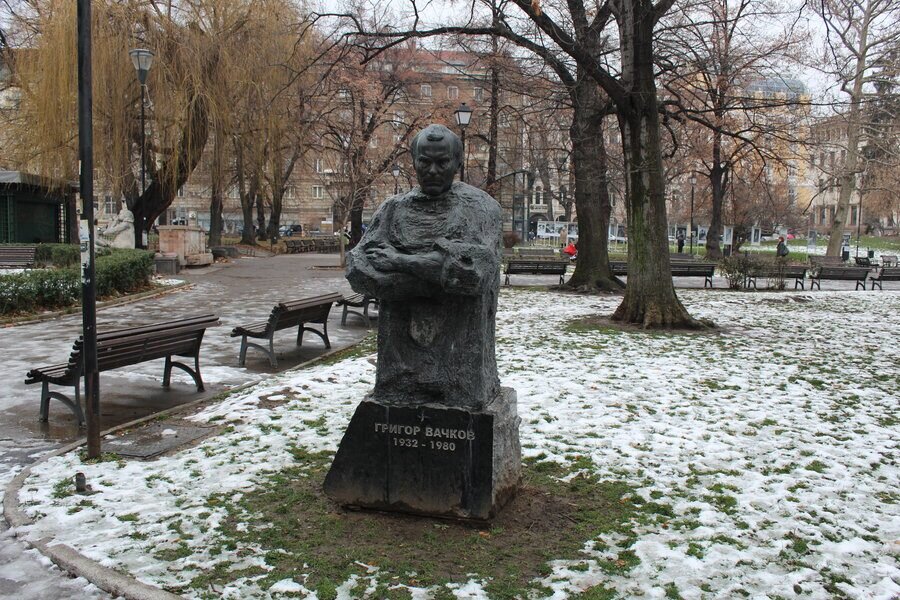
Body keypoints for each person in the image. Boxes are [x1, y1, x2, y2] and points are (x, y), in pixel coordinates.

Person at [346, 124, 502, 410]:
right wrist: (436, 274)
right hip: (399, 368)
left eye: (442, 163)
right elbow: (359, 268)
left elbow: (473, 274)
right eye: (424, 162)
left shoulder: (480, 208)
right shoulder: (393, 209)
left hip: (462, 368)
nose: (432, 170)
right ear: (413, 160)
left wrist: (401, 263)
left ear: (457, 163)